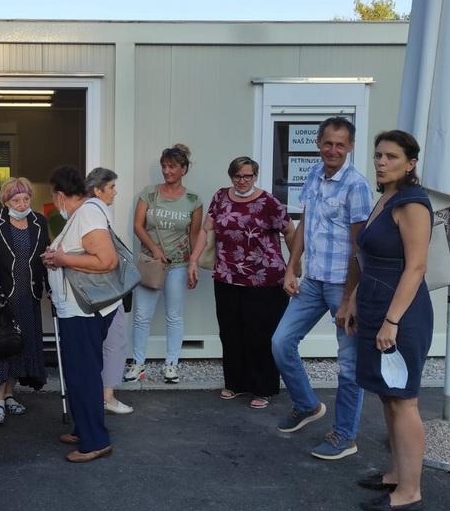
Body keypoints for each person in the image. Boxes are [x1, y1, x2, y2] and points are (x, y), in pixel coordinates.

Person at [271, 117, 374, 460]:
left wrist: (348, 298)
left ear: (350, 147)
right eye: (328, 143)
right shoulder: (314, 173)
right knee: (281, 342)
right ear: (318, 143)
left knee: (348, 365)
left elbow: (360, 247)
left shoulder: (357, 186)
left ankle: (345, 435)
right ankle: (307, 405)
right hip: (313, 280)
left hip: (343, 284)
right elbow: (305, 222)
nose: (333, 150)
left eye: (340, 144)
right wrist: (292, 267)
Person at [348, 131, 432, 511]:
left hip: (402, 313)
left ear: (411, 163)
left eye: (392, 157)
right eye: (378, 155)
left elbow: (416, 267)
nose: (381, 162)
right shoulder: (386, 197)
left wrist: (392, 321)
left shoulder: (412, 203)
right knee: (388, 394)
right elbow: (369, 256)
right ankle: (397, 472)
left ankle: (410, 490)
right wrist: (354, 298)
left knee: (404, 400)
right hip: (374, 304)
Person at [188, 156, 295, 409]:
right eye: (237, 176)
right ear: (231, 176)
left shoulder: (268, 202)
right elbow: (206, 229)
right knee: (230, 332)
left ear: (255, 176)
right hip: (227, 276)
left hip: (264, 279)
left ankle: (263, 388)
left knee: (259, 335)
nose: (242, 181)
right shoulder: (221, 197)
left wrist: (294, 266)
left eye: (248, 176)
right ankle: (235, 383)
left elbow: (290, 230)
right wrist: (193, 260)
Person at [42, 166, 120, 463]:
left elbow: (107, 260)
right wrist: (58, 258)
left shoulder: (87, 214)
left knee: (83, 375)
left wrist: (61, 258)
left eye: (53, 195)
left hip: (83, 311)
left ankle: (95, 441)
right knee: (80, 373)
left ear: (61, 195)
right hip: (80, 309)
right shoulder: (84, 214)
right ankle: (83, 428)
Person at [124, 144, 203, 384]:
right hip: (151, 263)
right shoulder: (149, 194)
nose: (167, 171)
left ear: (184, 169)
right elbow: (138, 226)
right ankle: (138, 363)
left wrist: (193, 263)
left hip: (178, 265)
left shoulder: (193, 200)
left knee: (174, 316)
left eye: (172, 166)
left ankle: (171, 363)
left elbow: (194, 235)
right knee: (141, 315)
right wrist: (156, 249)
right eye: (164, 166)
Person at [0, 177, 49, 425]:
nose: (22, 204)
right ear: (5, 201)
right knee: (1, 346)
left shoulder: (39, 221)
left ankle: (9, 394)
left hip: (27, 297)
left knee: (20, 346)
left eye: (26, 199)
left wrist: (49, 285)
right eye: (16, 200)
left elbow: (43, 257)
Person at [84, 167, 133, 415]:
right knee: (114, 341)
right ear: (97, 190)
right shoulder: (95, 214)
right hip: (105, 290)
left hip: (97, 291)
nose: (115, 192)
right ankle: (107, 397)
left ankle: (102, 396)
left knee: (105, 342)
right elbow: (103, 257)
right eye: (111, 187)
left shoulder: (88, 212)